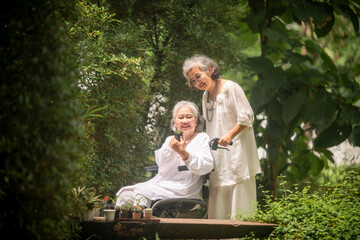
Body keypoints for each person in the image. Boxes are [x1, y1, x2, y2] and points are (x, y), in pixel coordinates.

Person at [182, 54, 262, 219]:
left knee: (239, 199)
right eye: (193, 81)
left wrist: (230, 135)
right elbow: (212, 125)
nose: (197, 82)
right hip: (218, 157)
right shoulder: (205, 96)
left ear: (209, 70)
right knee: (219, 200)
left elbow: (247, 116)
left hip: (237, 153)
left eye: (198, 76)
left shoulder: (230, 87)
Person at [115, 101, 214, 208]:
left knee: (142, 192)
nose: (185, 121)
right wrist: (171, 148)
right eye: (180, 117)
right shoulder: (169, 141)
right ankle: (122, 224)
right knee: (125, 194)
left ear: (195, 121)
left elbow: (206, 166)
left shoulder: (202, 138)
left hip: (185, 188)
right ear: (175, 122)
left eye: (189, 117)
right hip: (164, 183)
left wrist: (183, 153)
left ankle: (141, 220)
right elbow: (161, 163)